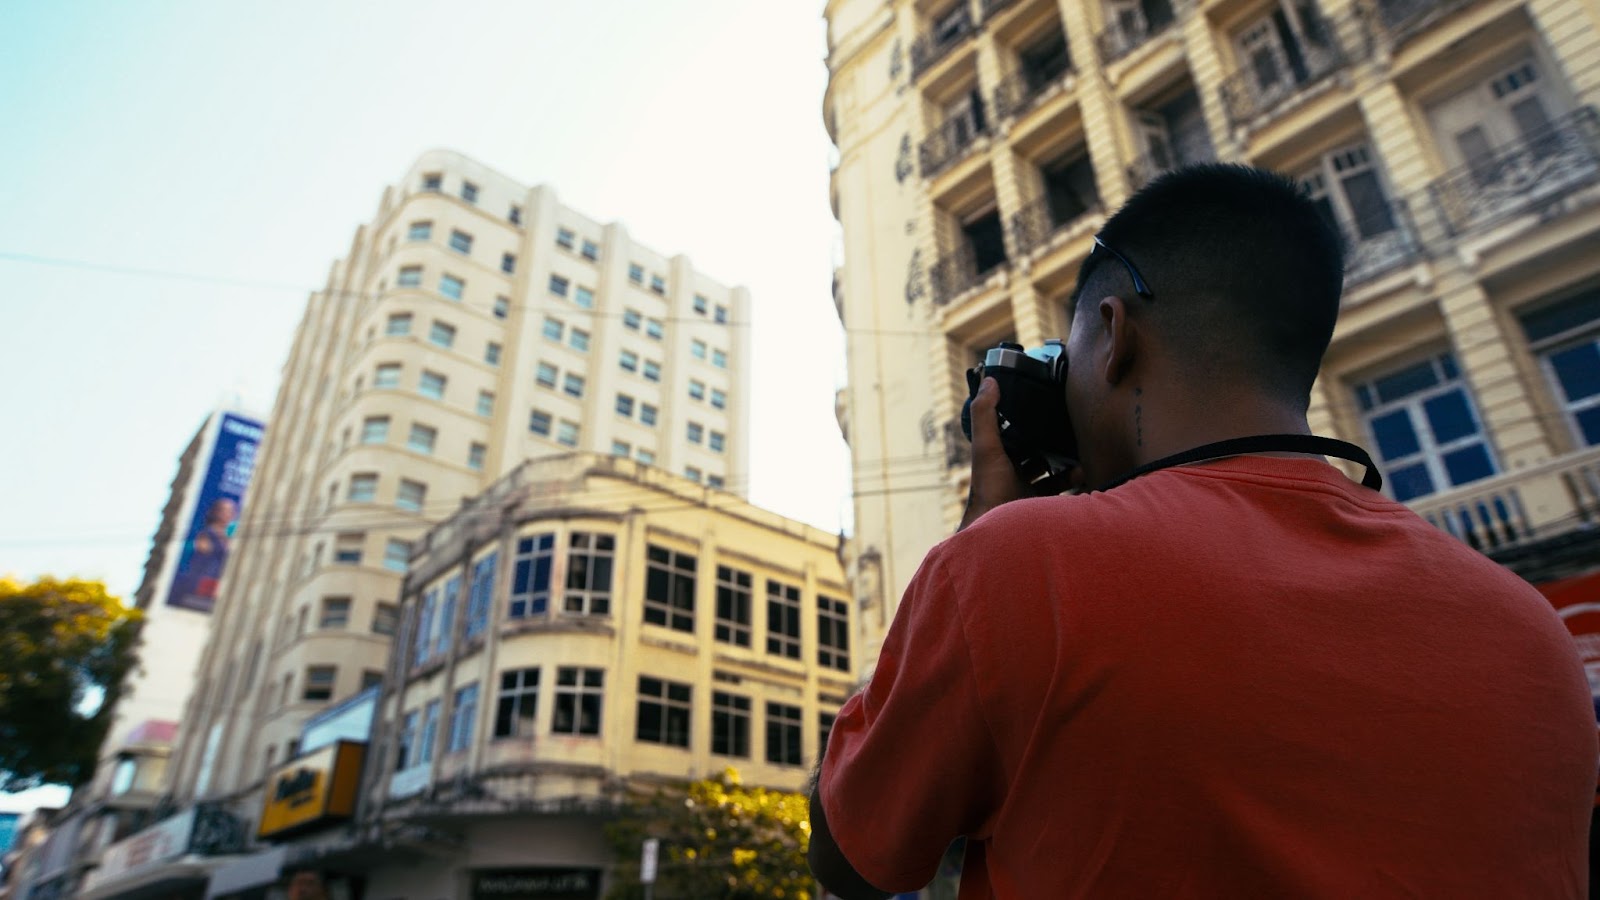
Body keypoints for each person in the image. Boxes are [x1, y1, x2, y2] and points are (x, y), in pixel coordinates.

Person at [808, 164, 1598, 899]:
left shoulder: (1020, 565)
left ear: (1114, 335)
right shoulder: (1530, 627)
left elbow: (853, 857)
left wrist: (977, 538)